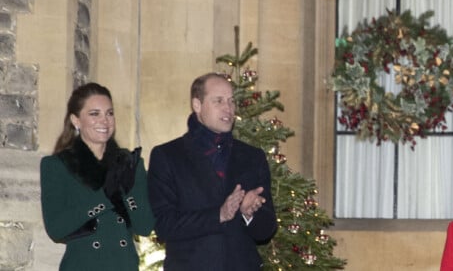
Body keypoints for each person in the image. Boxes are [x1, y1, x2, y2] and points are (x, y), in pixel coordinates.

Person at [148, 72, 277, 270]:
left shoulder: (252, 157)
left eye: (231, 101)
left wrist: (248, 214)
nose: (228, 108)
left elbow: (266, 230)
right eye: (218, 101)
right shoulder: (168, 156)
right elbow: (164, 226)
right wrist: (219, 215)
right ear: (197, 105)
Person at [40, 82, 155, 270]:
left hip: (123, 264)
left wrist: (126, 192)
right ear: (76, 120)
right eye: (94, 114)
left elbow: (144, 226)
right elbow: (56, 229)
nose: (105, 121)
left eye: (109, 113)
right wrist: (104, 197)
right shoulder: (57, 165)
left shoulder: (129, 163)